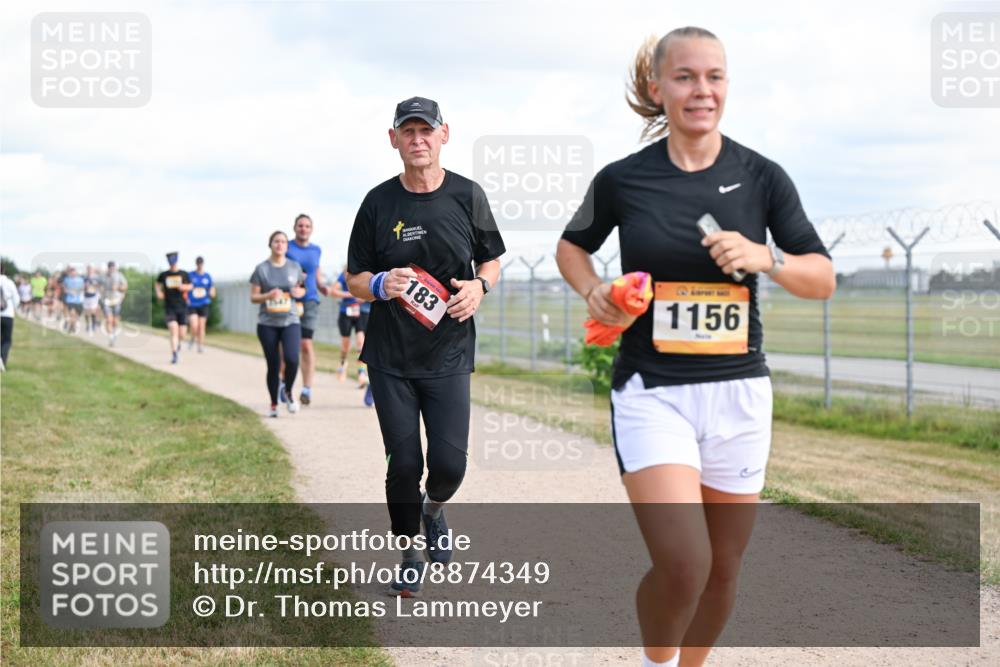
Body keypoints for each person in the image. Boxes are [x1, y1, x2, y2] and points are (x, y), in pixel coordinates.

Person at [556, 28, 835, 667]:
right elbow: (572, 247)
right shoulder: (624, 179)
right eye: (685, 77)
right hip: (653, 392)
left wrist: (766, 257)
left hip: (739, 393)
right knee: (685, 563)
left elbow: (821, 278)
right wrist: (594, 289)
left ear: (727, 85)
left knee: (723, 569)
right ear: (658, 87)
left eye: (714, 76)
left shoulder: (762, 176)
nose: (702, 90)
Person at [345, 96, 505, 596]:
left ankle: (433, 510)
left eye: (426, 130)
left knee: (449, 465)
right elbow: (354, 277)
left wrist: (480, 286)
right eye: (408, 131)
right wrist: (378, 285)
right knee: (404, 465)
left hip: (449, 355)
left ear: (444, 135)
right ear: (393, 139)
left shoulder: (468, 195)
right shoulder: (378, 202)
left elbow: (492, 260)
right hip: (390, 358)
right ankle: (409, 553)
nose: (418, 140)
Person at [250, 231, 306, 417]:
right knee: (273, 365)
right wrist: (268, 295)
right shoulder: (262, 269)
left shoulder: (294, 267)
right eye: (276, 241)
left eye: (283, 241)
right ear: (270, 244)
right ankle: (274, 403)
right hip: (267, 323)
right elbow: (253, 297)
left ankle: (288, 391)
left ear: (287, 246)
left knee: (292, 359)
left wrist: (299, 293)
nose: (280, 244)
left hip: (290, 320)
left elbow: (301, 289)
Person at [284, 213, 329, 406]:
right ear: (294, 228)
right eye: (300, 225)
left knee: (306, 345)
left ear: (311, 229)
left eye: (307, 226)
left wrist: (322, 286)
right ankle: (284, 385)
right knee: (287, 347)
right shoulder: (287, 246)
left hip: (310, 300)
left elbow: (316, 272)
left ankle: (306, 389)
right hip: (289, 301)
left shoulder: (316, 250)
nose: (303, 229)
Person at [331, 263, 370, 386]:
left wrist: (363, 297)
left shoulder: (363, 274)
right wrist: (350, 294)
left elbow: (370, 291)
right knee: (345, 344)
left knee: (360, 342)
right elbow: (333, 291)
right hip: (345, 312)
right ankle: (343, 365)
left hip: (360, 312)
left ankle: (361, 373)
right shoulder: (344, 275)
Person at [155, 252, 192, 364]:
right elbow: (157, 284)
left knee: (182, 334)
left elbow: (191, 286)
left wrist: (184, 287)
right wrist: (158, 292)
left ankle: (178, 344)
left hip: (182, 307)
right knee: (173, 329)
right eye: (170, 260)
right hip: (169, 307)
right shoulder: (164, 275)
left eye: (173, 259)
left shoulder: (184, 274)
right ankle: (174, 354)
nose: (172, 262)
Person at [186, 256, 215, 353]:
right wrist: (186, 298)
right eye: (198, 263)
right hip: (192, 304)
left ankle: (200, 346)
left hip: (204, 303)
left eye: (201, 263)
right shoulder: (190, 275)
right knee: (194, 325)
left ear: (203, 264)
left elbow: (212, 289)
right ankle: (192, 337)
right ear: (196, 264)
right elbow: (185, 287)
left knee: (201, 326)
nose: (199, 265)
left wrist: (212, 293)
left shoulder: (207, 276)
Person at [102, 261, 128, 346]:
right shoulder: (104, 276)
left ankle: (114, 333)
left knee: (115, 321)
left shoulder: (119, 275)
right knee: (109, 320)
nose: (112, 269)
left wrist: (118, 288)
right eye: (110, 267)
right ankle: (111, 338)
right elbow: (99, 286)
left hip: (116, 300)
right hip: (107, 300)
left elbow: (125, 286)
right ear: (108, 268)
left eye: (113, 267)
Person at [0, 269, 19, 371]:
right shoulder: (9, 283)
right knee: (6, 340)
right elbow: (16, 299)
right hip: (7, 314)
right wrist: (15, 308)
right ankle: (2, 360)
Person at [61, 266, 85, 334]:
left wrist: (78, 291)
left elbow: (82, 288)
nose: (73, 274)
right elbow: (64, 288)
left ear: (76, 273)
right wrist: (69, 291)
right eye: (71, 273)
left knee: (76, 316)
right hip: (70, 300)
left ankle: (72, 325)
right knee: (72, 314)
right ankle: (71, 327)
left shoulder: (80, 280)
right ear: (70, 273)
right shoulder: (66, 279)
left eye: (74, 272)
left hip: (78, 301)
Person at [82, 265, 102, 334]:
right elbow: (82, 287)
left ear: (93, 270)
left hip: (94, 296)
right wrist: (85, 287)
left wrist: (95, 286)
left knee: (93, 311)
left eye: (91, 269)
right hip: (86, 296)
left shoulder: (96, 278)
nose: (89, 271)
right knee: (86, 312)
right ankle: (88, 324)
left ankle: (94, 324)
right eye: (88, 269)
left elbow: (100, 284)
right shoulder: (84, 278)